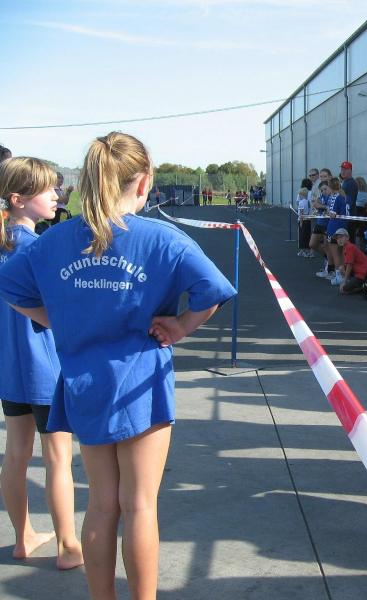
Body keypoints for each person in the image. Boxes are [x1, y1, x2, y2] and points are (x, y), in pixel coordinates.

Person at [0, 132, 236, 598]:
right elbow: (213, 290)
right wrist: (181, 326)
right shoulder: (162, 239)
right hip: (140, 383)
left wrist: (59, 319)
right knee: (140, 505)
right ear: (144, 182)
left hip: (83, 383)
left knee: (102, 505)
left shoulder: (53, 241)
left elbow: (10, 286)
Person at [0, 157, 83, 570]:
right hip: (46, 370)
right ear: (18, 199)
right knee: (58, 458)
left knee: (15, 454)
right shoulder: (40, 250)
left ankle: (23, 537)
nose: (57, 195)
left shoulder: (5, 246)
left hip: (10, 370)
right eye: (48, 189)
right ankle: (68, 547)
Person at [323, 177, 348, 286]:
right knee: (340, 254)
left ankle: (339, 276)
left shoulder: (336, 197)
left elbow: (333, 213)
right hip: (340, 227)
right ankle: (341, 275)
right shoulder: (340, 196)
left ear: (331, 187)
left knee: (336, 254)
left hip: (334, 228)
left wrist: (328, 212)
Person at [333, 228, 367, 294]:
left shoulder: (349, 247)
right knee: (341, 268)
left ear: (347, 237)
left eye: (341, 237)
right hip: (360, 271)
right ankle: (354, 283)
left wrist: (344, 281)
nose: (339, 240)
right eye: (337, 238)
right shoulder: (346, 247)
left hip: (363, 273)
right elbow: (347, 264)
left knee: (344, 290)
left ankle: (363, 287)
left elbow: (349, 265)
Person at [339, 161, 358, 237]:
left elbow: (349, 202)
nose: (343, 171)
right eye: (342, 169)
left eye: (345, 169)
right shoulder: (345, 182)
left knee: (348, 240)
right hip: (346, 217)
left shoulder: (351, 183)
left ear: (350, 171)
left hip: (349, 217)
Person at [296, 177, 313, 257]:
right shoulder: (308, 200)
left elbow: (301, 212)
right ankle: (308, 251)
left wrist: (301, 221)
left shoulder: (301, 202)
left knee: (302, 236)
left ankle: (303, 251)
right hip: (308, 219)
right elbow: (309, 208)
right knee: (307, 235)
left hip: (302, 219)